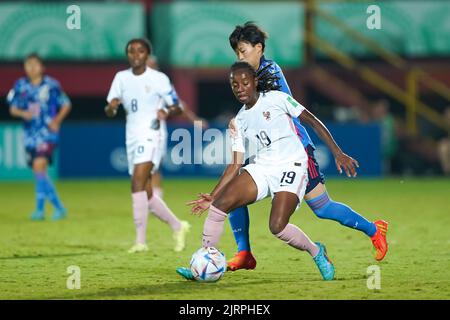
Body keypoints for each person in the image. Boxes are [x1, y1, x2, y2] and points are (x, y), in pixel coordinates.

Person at [176, 22, 388, 280]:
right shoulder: (246, 94)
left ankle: (372, 229)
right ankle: (240, 253)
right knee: (232, 194)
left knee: (322, 208)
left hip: (295, 148)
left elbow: (293, 114)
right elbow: (245, 126)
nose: (240, 57)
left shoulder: (270, 73)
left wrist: (336, 150)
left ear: (258, 48)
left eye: (243, 51)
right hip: (266, 150)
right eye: (236, 54)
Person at [183, 62, 337, 281]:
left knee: (277, 226)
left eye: (245, 82)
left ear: (255, 81)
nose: (240, 88)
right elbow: (235, 164)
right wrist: (213, 195)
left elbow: (313, 121)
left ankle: (316, 251)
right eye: (235, 84)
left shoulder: (277, 98)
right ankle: (202, 263)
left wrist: (337, 152)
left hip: (292, 163)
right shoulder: (239, 120)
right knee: (219, 205)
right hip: (264, 165)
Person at [105, 38, 190, 253]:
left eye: (140, 51)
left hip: (152, 134)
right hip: (132, 136)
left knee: (137, 183)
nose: (135, 55)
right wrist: (112, 107)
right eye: (131, 51)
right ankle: (178, 226)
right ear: (128, 55)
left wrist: (166, 112)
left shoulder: (159, 79)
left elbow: (177, 107)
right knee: (147, 193)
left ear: (146, 55)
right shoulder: (121, 78)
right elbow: (110, 108)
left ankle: (140, 242)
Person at [7, 53, 71, 221]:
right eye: (28, 65)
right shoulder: (20, 85)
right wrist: (23, 113)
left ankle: (39, 210)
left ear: (42, 67)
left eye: (35, 64)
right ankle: (59, 207)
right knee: (39, 172)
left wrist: (56, 120)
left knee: (38, 165)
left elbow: (66, 104)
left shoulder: (51, 85)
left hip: (47, 134)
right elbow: (12, 109)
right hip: (30, 134)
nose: (31, 68)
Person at [145, 55, 208, 199]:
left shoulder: (163, 84)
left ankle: (156, 200)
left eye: (151, 65)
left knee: (154, 167)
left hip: (156, 130)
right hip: (138, 130)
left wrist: (195, 120)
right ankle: (149, 199)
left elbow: (179, 106)